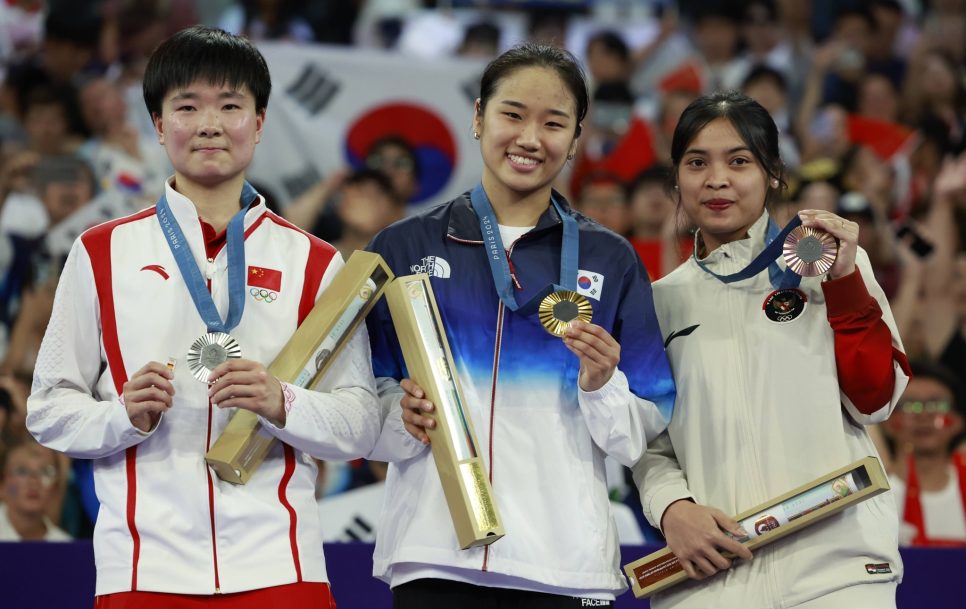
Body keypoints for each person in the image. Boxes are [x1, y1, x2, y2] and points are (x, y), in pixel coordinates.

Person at [26, 25, 382, 607]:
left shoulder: (314, 261)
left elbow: (360, 423)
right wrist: (122, 417)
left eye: (231, 106)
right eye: (187, 106)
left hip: (282, 564)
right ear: (159, 125)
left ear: (260, 124)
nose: (211, 123)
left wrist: (280, 401)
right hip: (143, 568)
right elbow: (46, 411)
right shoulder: (100, 253)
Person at [365, 42, 676, 608]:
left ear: (576, 139)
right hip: (436, 552)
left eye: (554, 123)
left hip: (565, 562)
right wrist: (396, 415)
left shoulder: (611, 260)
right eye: (513, 115)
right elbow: (363, 401)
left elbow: (644, 432)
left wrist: (602, 383)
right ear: (479, 116)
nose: (531, 138)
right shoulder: (404, 246)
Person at [633, 91, 910, 609]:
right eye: (697, 162)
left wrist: (845, 282)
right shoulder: (659, 301)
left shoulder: (831, 263)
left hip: (837, 574)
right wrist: (671, 509)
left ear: (773, 174)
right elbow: (649, 443)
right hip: (712, 582)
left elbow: (875, 401)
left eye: (738, 161)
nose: (716, 179)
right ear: (676, 178)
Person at [885, 361, 966, 547]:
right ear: (887, 422)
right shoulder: (874, 497)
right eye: (910, 406)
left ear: (958, 421)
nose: (923, 416)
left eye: (936, 404)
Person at [0, 437, 71, 541]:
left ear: (55, 488)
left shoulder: (66, 547)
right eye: (22, 471)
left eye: (45, 472)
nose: (34, 481)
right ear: (2, 484)